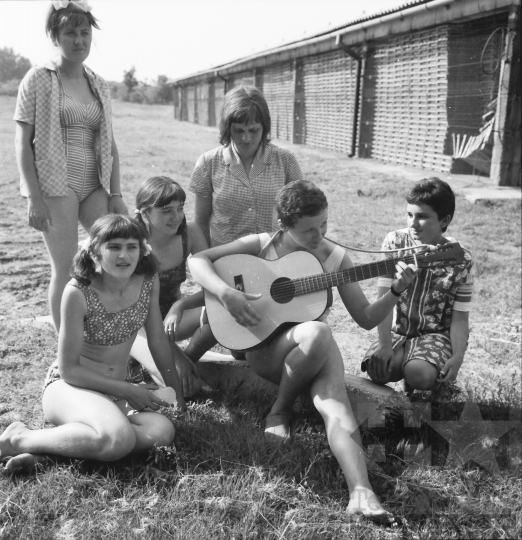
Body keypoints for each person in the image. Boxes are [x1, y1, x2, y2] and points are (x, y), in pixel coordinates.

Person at [188, 180, 418, 523]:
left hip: (312, 347)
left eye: (324, 224)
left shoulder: (337, 258)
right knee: (318, 331)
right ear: (284, 225)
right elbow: (198, 260)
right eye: (309, 229)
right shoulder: (261, 244)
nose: (319, 234)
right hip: (267, 351)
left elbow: (366, 318)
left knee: (335, 402)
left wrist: (396, 291)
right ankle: (279, 411)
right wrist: (226, 293)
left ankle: (361, 492)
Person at [0, 215, 185, 474]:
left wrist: (178, 394)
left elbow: (156, 338)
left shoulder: (147, 279)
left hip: (112, 393)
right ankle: (18, 439)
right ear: (95, 250)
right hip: (70, 388)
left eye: (132, 247)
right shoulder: (78, 291)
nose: (124, 255)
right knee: (119, 438)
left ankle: (49, 455)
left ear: (142, 250)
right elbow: (69, 370)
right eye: (114, 247)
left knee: (161, 431)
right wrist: (128, 391)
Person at [14, 0, 127, 331]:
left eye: (84, 32)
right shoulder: (37, 79)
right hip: (55, 186)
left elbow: (110, 143)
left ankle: (105, 333)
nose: (78, 40)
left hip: (94, 185)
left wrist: (116, 192)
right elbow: (22, 143)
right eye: (69, 33)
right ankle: (66, 347)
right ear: (54, 36)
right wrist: (34, 197)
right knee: (65, 268)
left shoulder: (99, 84)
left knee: (112, 255)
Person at [362, 178, 474, 395]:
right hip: (397, 331)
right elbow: (382, 300)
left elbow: (460, 318)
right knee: (379, 371)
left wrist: (457, 355)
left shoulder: (462, 259)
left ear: (445, 220)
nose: (412, 224)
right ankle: (408, 363)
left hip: (435, 336)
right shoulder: (394, 243)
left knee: (419, 373)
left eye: (422, 217)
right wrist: (385, 344)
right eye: (409, 215)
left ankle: (427, 376)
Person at [130, 176, 216, 397]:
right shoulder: (132, 241)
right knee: (189, 390)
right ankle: (169, 366)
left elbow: (212, 288)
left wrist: (181, 304)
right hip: (137, 327)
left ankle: (188, 360)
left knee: (221, 313)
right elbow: (134, 313)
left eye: (180, 208)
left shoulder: (192, 232)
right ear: (144, 212)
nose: (176, 217)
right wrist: (176, 358)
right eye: (166, 210)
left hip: (172, 321)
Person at [189, 85, 303, 248]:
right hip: (225, 257)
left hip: (273, 255)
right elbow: (201, 222)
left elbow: (301, 215)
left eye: (253, 130)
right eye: (238, 130)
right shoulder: (208, 163)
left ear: (264, 128)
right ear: (227, 128)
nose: (246, 138)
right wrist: (207, 259)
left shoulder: (286, 161)